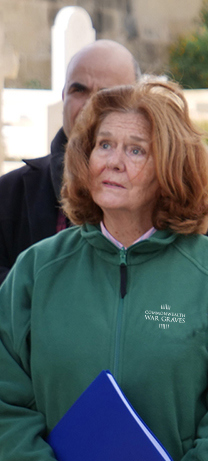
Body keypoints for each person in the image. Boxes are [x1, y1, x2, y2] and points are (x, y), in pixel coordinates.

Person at [0, 81, 208, 461]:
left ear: (170, 167)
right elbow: (5, 405)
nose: (114, 162)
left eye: (136, 150)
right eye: (104, 145)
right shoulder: (38, 269)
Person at [0, 40, 139, 283]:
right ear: (64, 96)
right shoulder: (9, 195)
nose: (90, 104)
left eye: (108, 94)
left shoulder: (163, 195)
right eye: (79, 90)